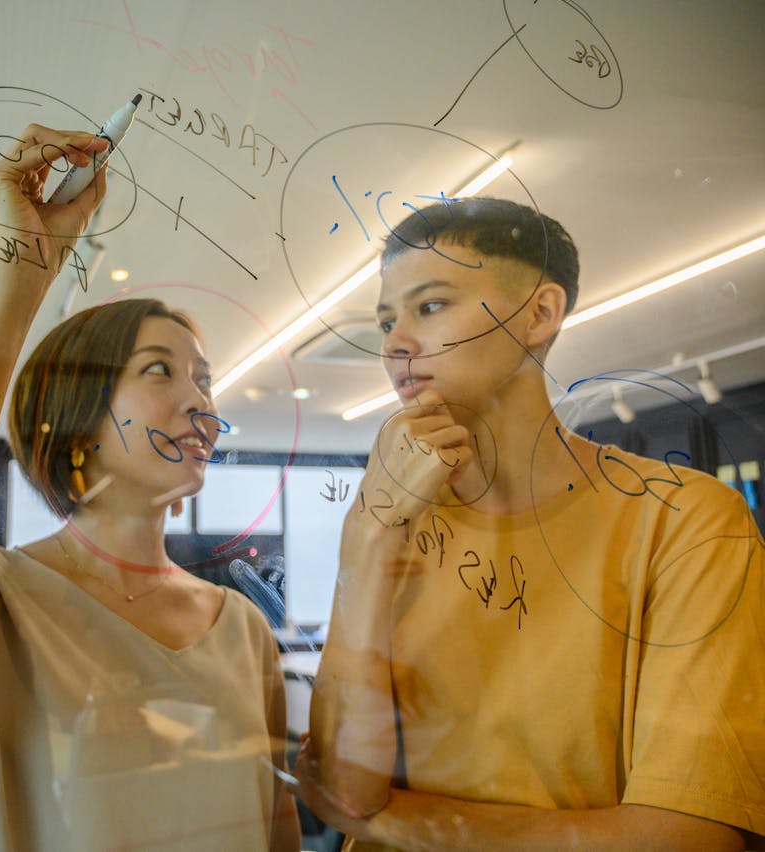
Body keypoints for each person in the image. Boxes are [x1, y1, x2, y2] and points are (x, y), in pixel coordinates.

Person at [0, 125, 301, 850]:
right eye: (160, 371)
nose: (201, 404)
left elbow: (275, 831)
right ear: (73, 421)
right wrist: (22, 271)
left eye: (205, 381)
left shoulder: (240, 629)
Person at [296, 197, 765, 849]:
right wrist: (365, 535)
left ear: (539, 313)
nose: (396, 344)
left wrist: (391, 821)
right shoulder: (392, 523)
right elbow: (341, 789)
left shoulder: (684, 519)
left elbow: (684, 837)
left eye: (430, 306)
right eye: (385, 322)